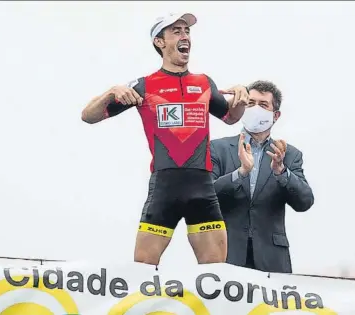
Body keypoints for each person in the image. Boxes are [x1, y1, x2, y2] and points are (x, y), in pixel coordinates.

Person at [81, 13, 250, 265]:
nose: (185, 36)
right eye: (176, 31)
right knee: (143, 272)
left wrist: (241, 100)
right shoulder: (144, 86)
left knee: (215, 277)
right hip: (164, 187)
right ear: (159, 42)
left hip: (202, 187)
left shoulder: (203, 82)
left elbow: (230, 117)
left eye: (187, 31)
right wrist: (110, 92)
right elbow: (88, 116)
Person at [210, 80, 314, 273]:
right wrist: (240, 173)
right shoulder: (218, 148)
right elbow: (206, 195)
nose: (255, 109)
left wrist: (282, 172)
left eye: (263, 105)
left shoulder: (289, 154)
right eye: (250, 103)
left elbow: (305, 202)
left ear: (275, 115)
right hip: (227, 254)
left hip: (272, 259)